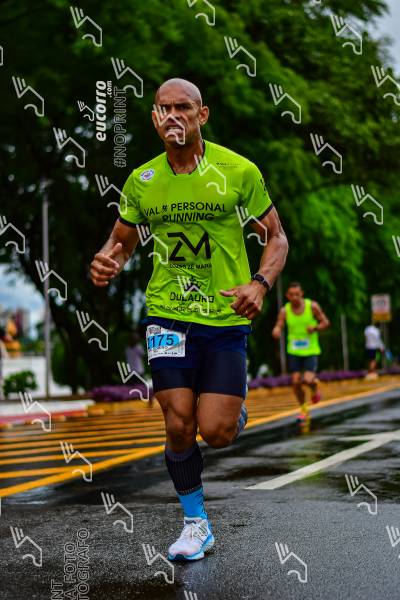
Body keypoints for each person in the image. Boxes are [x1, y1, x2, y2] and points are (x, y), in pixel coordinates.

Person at [90, 78, 288, 561]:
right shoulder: (142, 180)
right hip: (168, 313)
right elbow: (123, 240)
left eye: (183, 107)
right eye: (164, 108)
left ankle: (232, 411)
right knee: (178, 423)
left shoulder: (237, 171)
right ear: (154, 118)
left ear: (202, 115)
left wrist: (259, 284)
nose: (173, 116)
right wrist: (108, 259)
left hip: (224, 313)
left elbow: (277, 237)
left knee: (216, 431)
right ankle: (196, 524)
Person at [272, 282, 329, 421]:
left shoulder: (312, 306)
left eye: (297, 294)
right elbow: (279, 324)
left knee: (308, 380)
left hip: (310, 350)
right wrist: (277, 330)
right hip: (294, 350)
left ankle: (314, 388)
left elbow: (325, 322)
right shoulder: (285, 310)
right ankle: (304, 409)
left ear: (302, 294)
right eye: (292, 295)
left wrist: (315, 328)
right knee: (296, 382)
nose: (295, 297)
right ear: (287, 296)